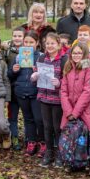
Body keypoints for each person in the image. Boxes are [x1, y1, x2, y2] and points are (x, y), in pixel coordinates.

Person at [31, 33, 67, 167]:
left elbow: (68, 80)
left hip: (57, 99)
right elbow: (36, 75)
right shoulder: (41, 58)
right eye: (48, 43)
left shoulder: (64, 60)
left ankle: (59, 154)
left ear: (58, 45)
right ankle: (49, 152)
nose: (50, 46)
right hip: (44, 97)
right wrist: (34, 77)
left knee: (57, 127)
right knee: (47, 127)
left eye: (53, 43)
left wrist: (59, 83)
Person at [60, 42, 90, 170]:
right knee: (72, 135)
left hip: (86, 108)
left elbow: (89, 91)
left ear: (85, 54)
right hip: (70, 107)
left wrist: (75, 112)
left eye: (79, 53)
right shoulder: (68, 67)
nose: (76, 55)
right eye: (74, 53)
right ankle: (72, 161)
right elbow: (63, 90)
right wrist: (68, 110)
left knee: (88, 134)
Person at [7, 31, 45, 157]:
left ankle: (42, 142)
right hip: (21, 91)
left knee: (39, 119)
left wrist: (39, 72)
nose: (28, 45)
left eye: (31, 42)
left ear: (37, 43)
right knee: (28, 119)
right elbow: (10, 75)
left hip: (36, 93)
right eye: (26, 42)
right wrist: (14, 70)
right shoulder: (18, 57)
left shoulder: (41, 57)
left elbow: (47, 77)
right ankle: (31, 141)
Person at [2, 27, 24, 150]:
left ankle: (29, 139)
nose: (17, 38)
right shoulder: (7, 51)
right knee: (12, 116)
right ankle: (14, 138)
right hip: (11, 88)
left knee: (28, 116)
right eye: (15, 36)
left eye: (19, 36)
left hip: (26, 88)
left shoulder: (29, 51)